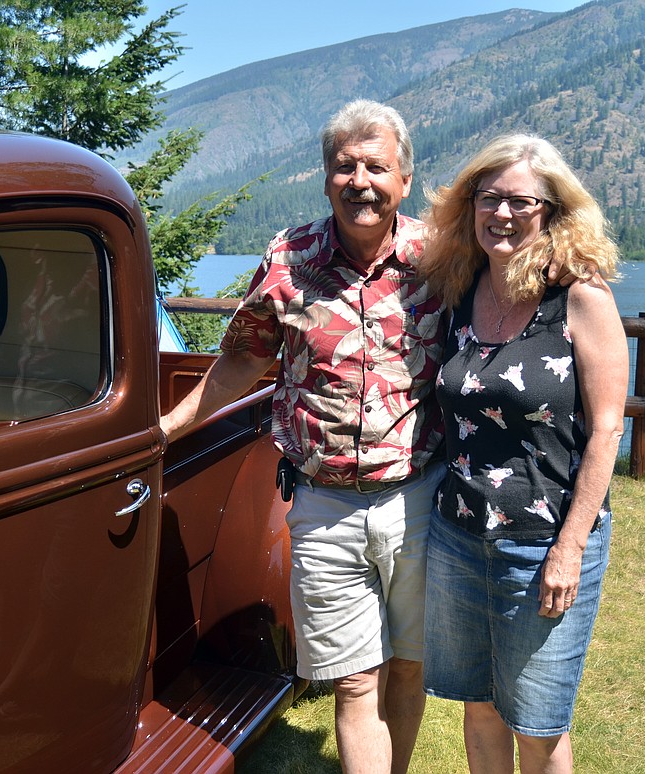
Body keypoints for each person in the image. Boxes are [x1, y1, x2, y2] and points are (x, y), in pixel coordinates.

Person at [160, 99, 445, 774]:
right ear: (324, 179)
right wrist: (168, 428)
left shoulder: (442, 260)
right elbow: (241, 360)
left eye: (376, 166)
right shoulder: (290, 258)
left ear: (404, 179)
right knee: (353, 678)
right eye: (344, 166)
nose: (360, 181)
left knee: (408, 668)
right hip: (322, 505)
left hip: (422, 500)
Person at [417, 134, 627, 774]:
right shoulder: (459, 290)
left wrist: (570, 547)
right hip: (456, 535)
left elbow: (609, 429)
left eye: (520, 202)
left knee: (536, 724)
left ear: (551, 211)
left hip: (543, 543)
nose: (501, 214)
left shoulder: (579, 297)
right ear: (469, 206)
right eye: (488, 198)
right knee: (478, 705)